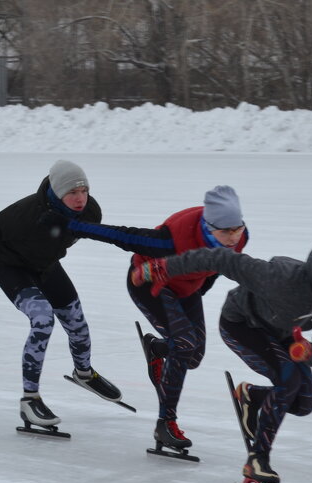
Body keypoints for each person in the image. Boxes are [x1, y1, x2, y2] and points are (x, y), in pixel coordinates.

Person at [133, 232, 312, 483]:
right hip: (240, 324)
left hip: (283, 334)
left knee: (303, 402)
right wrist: (165, 267)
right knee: (289, 380)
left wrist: (309, 351)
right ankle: (257, 461)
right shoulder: (281, 278)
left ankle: (251, 398)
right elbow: (222, 258)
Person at [61, 185, 249, 452]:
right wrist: (74, 226)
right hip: (149, 282)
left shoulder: (241, 238)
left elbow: (221, 263)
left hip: (187, 287)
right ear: (208, 227)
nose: (233, 238)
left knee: (193, 356)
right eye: (225, 232)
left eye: (237, 229)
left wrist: (201, 289)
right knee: (185, 344)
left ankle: (156, 347)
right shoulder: (170, 239)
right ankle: (165, 424)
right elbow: (122, 235)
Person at [0, 159, 123, 432]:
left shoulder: (90, 211)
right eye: (72, 193)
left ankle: (84, 373)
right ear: (57, 192)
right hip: (12, 268)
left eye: (83, 191)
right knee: (43, 319)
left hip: (46, 266)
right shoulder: (23, 214)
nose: (79, 199)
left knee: (76, 321)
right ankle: (30, 400)